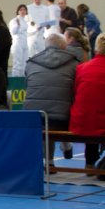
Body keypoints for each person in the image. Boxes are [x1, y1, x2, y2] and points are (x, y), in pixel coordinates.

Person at [69, 33, 105, 170]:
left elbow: (76, 91)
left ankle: (89, 163)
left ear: (96, 49)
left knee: (90, 113)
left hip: (81, 119)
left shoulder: (81, 68)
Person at [24, 34, 78, 172]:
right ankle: (66, 144)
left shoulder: (31, 63)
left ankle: (49, 162)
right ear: (64, 47)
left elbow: (27, 84)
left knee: (46, 117)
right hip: (62, 119)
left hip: (33, 117)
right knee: (60, 111)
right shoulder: (74, 64)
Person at [9, 4, 30, 77]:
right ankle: (16, 79)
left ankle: (22, 78)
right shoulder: (14, 20)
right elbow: (13, 32)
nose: (23, 11)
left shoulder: (26, 21)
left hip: (25, 43)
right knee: (17, 62)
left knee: (24, 63)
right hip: (17, 43)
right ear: (18, 11)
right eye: (21, 10)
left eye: (24, 10)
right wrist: (17, 25)